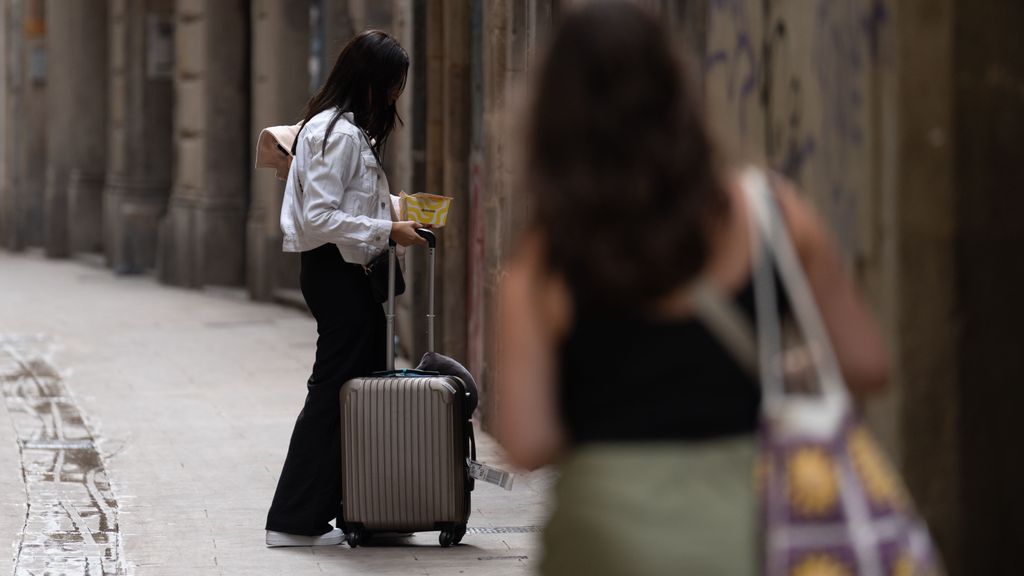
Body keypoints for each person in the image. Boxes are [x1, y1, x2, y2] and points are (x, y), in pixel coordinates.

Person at [494, 2, 890, 574]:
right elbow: (869, 363)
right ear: (679, 95)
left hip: (601, 539)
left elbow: (527, 441)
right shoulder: (773, 215)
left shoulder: (545, 260)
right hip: (746, 531)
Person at [265, 30, 426, 547]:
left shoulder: (343, 130)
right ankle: (292, 518)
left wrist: (398, 209)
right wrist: (386, 230)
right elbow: (319, 216)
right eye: (392, 83)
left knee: (349, 391)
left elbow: (343, 205)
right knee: (332, 392)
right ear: (370, 81)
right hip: (335, 273)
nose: (395, 95)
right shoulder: (333, 133)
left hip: (341, 271)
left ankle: (343, 508)